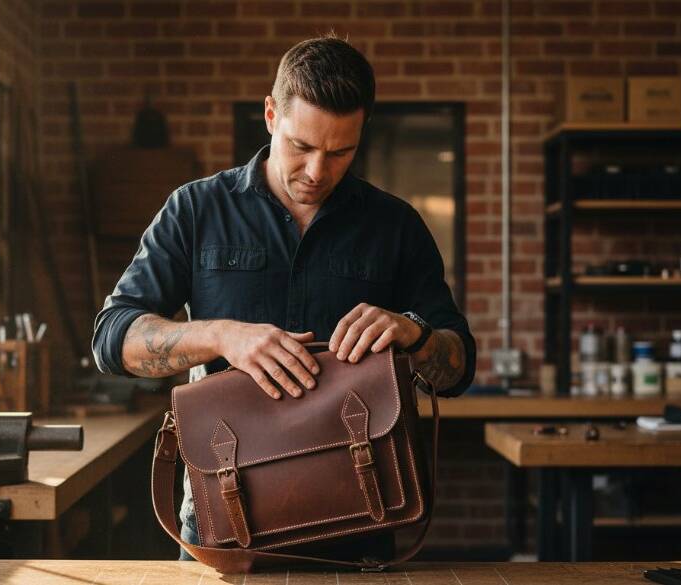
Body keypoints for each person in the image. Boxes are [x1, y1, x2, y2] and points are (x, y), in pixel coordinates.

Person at [93, 34, 476, 562]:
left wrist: (416, 333)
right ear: (271, 114)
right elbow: (112, 339)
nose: (318, 172)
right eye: (302, 145)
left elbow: (458, 368)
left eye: (341, 151)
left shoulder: (396, 226)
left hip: (359, 528)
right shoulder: (195, 210)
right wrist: (220, 334)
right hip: (224, 526)